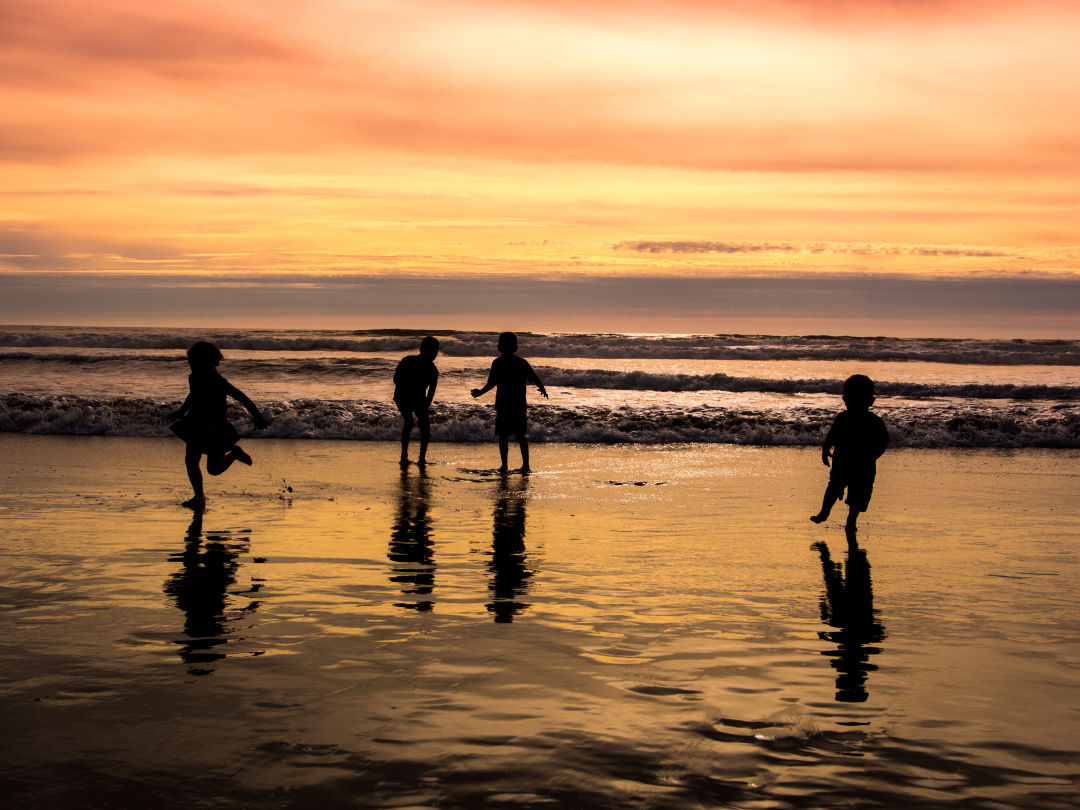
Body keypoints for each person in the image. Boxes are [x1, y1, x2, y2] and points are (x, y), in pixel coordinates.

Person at [169, 340, 269, 509]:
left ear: (208, 363)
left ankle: (234, 454)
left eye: (194, 363)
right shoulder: (193, 377)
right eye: (190, 363)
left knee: (214, 470)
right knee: (191, 459)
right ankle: (199, 497)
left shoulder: (217, 380)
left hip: (216, 427)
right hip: (196, 422)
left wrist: (258, 416)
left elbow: (241, 397)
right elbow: (193, 396)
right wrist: (181, 411)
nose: (191, 366)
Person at [810, 374, 889, 536]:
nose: (856, 404)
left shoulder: (874, 421)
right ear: (845, 399)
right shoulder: (843, 418)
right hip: (843, 462)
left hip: (863, 465)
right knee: (834, 487)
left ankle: (851, 520)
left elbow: (882, 442)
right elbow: (831, 436)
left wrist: (873, 455)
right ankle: (824, 513)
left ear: (871, 401)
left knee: (858, 495)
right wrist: (825, 450)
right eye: (853, 400)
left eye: (860, 400)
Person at [471, 332, 548, 473]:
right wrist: (542, 388)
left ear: (499, 347)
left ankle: (505, 466)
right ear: (516, 347)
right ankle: (526, 465)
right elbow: (534, 377)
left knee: (503, 436)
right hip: (518, 405)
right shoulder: (521, 362)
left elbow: (491, 384)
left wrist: (480, 392)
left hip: (503, 405)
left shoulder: (498, 363)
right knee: (520, 436)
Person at [393, 336, 440, 466]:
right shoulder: (410, 361)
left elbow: (431, 391)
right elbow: (396, 379)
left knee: (416, 423)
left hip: (412, 397)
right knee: (415, 423)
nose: (433, 354)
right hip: (405, 395)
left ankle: (414, 457)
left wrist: (426, 404)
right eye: (432, 351)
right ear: (421, 350)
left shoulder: (431, 369)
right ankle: (410, 457)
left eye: (435, 352)